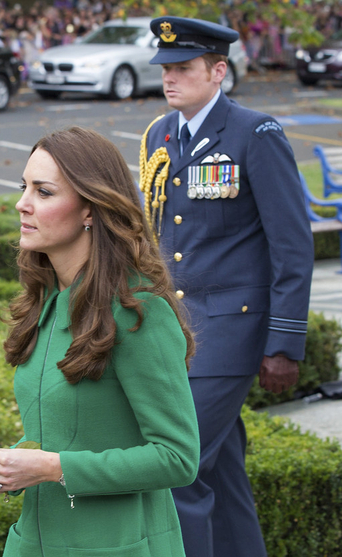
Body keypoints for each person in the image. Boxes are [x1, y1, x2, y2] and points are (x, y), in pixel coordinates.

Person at [0, 126, 200, 556]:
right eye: (24, 188)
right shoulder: (45, 302)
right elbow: (67, 432)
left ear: (90, 210)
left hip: (116, 544)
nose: (22, 204)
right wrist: (10, 466)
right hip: (34, 543)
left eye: (43, 192)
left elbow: (178, 457)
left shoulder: (139, 313)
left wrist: (53, 468)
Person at [140, 16, 314, 557]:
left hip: (233, 331)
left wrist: (283, 343)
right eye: (166, 68)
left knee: (178, 467)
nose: (171, 78)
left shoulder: (254, 133)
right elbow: (158, 236)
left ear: (219, 71)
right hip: (177, 332)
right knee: (222, 473)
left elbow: (292, 243)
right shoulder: (158, 135)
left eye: (184, 68)